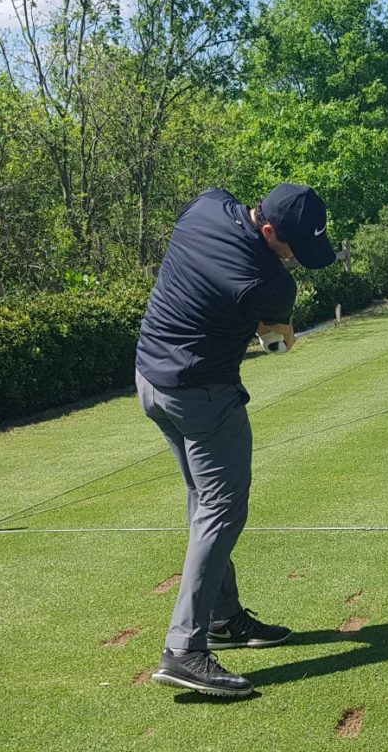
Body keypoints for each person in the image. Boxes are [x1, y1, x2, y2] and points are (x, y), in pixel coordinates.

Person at [135, 183, 336, 697]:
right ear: (268, 229)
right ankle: (185, 649)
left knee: (203, 501)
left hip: (151, 382)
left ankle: (224, 620)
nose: (294, 259)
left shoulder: (204, 204)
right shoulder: (268, 283)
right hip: (203, 395)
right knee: (223, 510)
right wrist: (281, 336)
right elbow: (275, 341)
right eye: (293, 248)